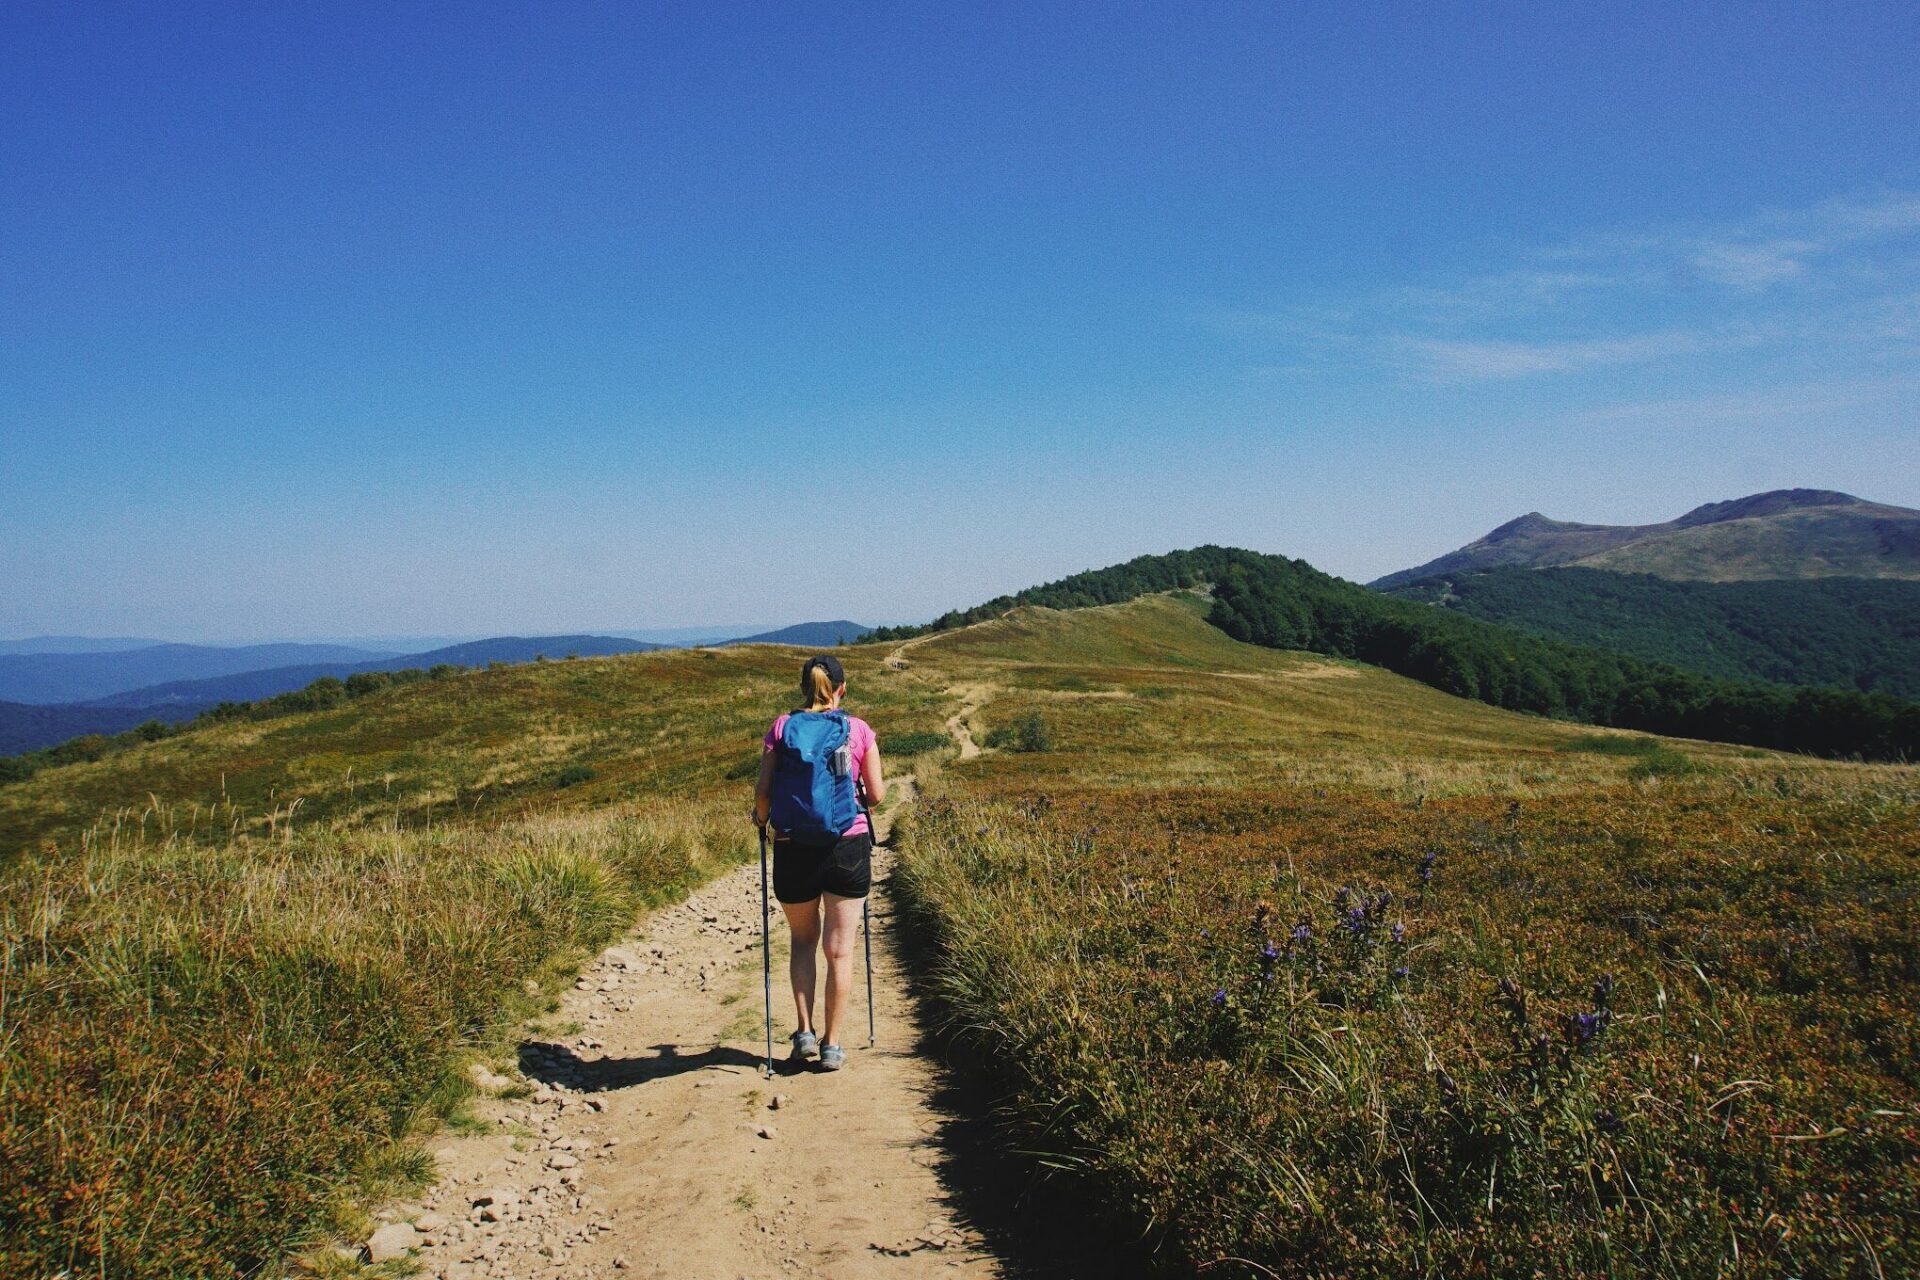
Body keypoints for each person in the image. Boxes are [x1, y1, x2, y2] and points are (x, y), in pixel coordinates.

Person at [753, 653, 885, 1071]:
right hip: (847, 847)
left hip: (793, 846)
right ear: (841, 689)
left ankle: (804, 1033)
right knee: (840, 952)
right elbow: (877, 795)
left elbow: (764, 793)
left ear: (803, 688)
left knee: (803, 941)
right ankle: (832, 1045)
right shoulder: (858, 729)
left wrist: (760, 820)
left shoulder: (781, 727)